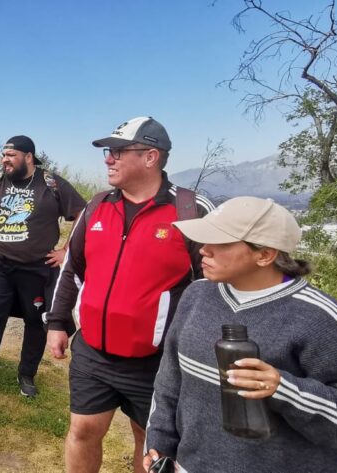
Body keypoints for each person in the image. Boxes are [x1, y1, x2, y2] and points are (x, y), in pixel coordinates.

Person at [144, 197, 337, 472]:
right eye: (204, 240)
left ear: (265, 255)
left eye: (221, 243)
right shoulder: (196, 295)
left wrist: (285, 390)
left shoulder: (320, 319)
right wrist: (159, 444)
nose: (204, 250)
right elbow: (170, 380)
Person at [46, 117, 214, 473]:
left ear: (151, 156)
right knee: (83, 429)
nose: (109, 159)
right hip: (93, 350)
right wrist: (58, 322)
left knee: (150, 440)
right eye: (109, 152)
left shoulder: (191, 210)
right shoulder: (96, 206)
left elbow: (215, 286)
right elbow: (72, 269)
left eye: (118, 151)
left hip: (156, 361)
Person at [0, 135, 86, 399]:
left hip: (36, 268)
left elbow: (81, 213)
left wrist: (67, 250)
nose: (5, 160)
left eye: (11, 155)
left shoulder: (50, 183)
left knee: (35, 321)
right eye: (4, 155)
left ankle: (27, 374)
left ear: (28, 157)